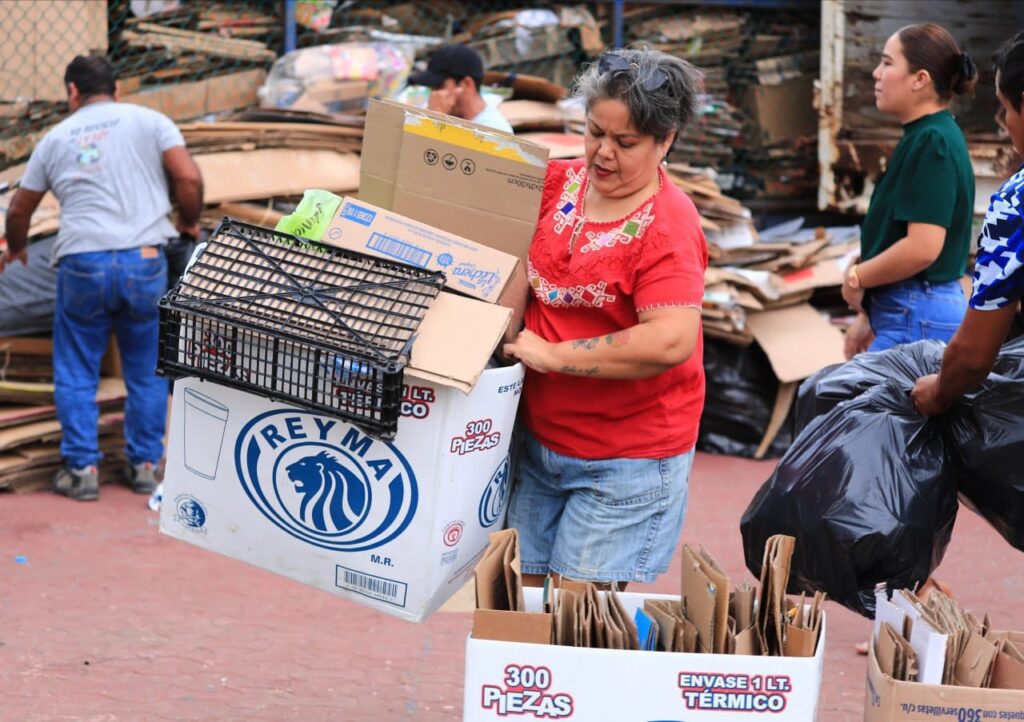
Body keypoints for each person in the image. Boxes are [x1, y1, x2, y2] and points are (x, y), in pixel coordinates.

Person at [502, 48, 707, 589]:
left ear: (665, 141)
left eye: (626, 143)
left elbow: (669, 341)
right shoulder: (559, 183)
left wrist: (553, 356)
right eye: (595, 133)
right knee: (517, 607)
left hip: (625, 462)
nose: (603, 154)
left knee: (577, 620)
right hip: (541, 444)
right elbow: (513, 253)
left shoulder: (668, 226)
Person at [0, 55, 203, 501]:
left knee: (76, 369)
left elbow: (20, 209)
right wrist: (189, 222)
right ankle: (146, 465)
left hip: (83, 265)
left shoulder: (55, 139)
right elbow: (187, 177)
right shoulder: (150, 121)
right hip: (144, 260)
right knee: (147, 369)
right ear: (116, 88)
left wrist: (16, 248)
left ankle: (82, 469)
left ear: (72, 91)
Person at [842, 24, 978, 359]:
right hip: (913, 313)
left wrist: (857, 277)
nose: (876, 73)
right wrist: (867, 313)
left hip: (919, 314)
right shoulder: (926, 135)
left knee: (834, 403)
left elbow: (922, 248)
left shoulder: (934, 141)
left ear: (920, 79)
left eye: (887, 63)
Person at [913, 31, 1024, 415]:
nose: (1005, 123)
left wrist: (939, 392)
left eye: (1005, 108)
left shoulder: (1017, 201)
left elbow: (973, 358)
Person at [408, 44, 515, 134]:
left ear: (466, 84)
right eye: (432, 89)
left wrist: (436, 120)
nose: (435, 96)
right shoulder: (446, 114)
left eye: (439, 86)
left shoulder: (494, 130)